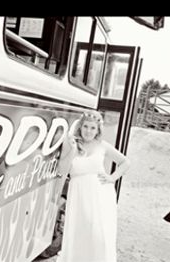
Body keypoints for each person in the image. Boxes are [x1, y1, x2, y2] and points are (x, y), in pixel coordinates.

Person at [57, 110, 130, 262]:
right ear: (80, 127)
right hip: (79, 194)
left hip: (101, 194)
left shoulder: (102, 145)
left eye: (92, 128)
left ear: (97, 130)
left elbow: (125, 162)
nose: (88, 131)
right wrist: (72, 151)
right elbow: (61, 170)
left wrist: (112, 178)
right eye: (85, 127)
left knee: (99, 234)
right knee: (80, 233)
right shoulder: (71, 143)